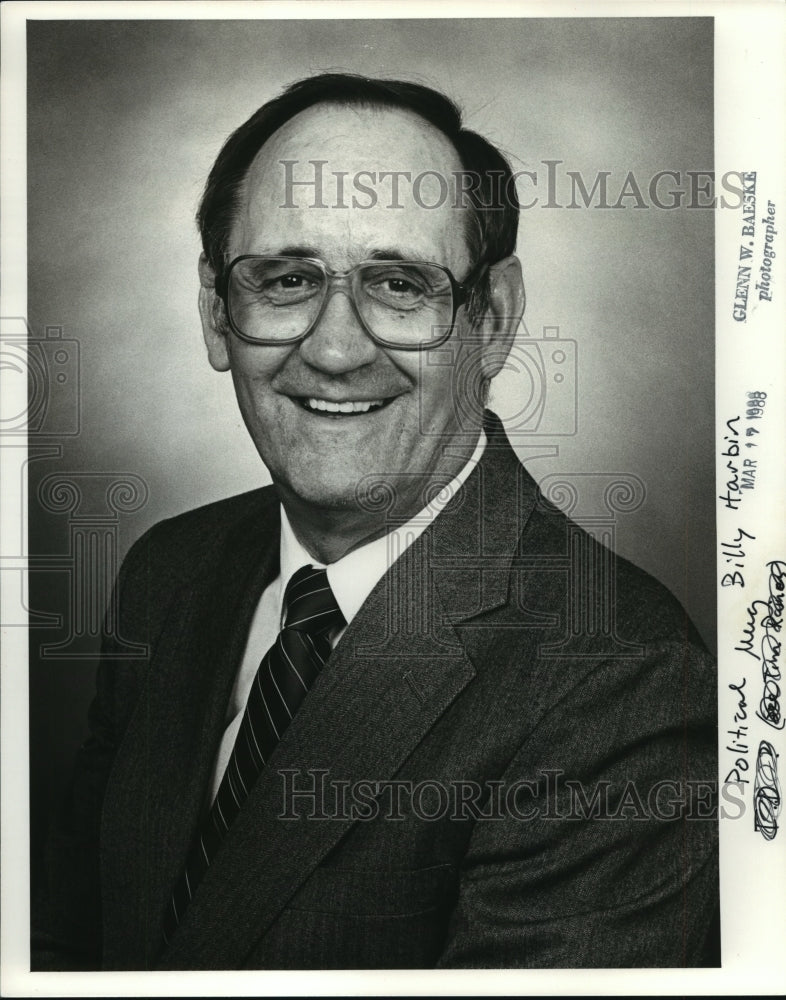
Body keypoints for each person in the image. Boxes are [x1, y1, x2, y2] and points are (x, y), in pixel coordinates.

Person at [32, 72, 719, 971]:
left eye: (400, 285)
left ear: (496, 319)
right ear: (215, 314)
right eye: (285, 279)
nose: (335, 348)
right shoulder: (170, 570)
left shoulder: (620, 679)